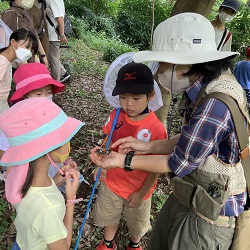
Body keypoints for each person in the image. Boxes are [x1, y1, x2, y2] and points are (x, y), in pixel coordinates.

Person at [90, 13, 249, 250]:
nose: (160, 70)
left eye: (163, 63)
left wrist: (124, 160)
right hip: (189, 194)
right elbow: (191, 139)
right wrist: (146, 146)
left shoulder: (215, 104)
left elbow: (177, 162)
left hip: (210, 214)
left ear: (184, 61)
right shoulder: (201, 89)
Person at [93, 62, 167, 250]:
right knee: (110, 214)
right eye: (123, 97)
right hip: (112, 181)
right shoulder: (116, 115)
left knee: (137, 222)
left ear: (150, 95)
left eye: (136, 97)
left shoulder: (156, 129)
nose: (128, 103)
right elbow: (108, 141)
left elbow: (156, 166)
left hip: (139, 186)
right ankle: (108, 241)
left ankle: (135, 244)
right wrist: (100, 165)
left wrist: (142, 192)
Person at [0, 98, 84, 249]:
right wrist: (70, 200)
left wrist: (59, 179)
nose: (69, 141)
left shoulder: (22, 177)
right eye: (65, 138)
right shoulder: (48, 208)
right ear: (48, 150)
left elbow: (38, 195)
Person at [0, 28, 38, 117]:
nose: (29, 53)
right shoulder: (2, 62)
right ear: (13, 42)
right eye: (27, 47)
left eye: (31, 51)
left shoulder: (8, 61)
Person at [1, 0, 49, 66]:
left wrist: (43, 55)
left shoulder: (27, 14)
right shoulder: (10, 14)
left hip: (30, 58)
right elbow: (3, 41)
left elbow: (35, 37)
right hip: (17, 62)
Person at [45, 0, 71, 82]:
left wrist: (62, 34)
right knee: (52, 57)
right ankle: (63, 73)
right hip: (48, 34)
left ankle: (55, 82)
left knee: (54, 59)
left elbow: (60, 18)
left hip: (52, 35)